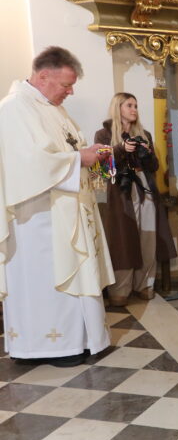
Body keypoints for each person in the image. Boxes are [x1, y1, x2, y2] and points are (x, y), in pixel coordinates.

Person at [0, 46, 113, 367]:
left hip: (66, 211)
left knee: (72, 274)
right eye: (66, 85)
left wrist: (91, 154)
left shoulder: (54, 109)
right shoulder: (13, 109)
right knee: (47, 281)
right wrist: (80, 158)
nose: (70, 91)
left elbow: (69, 148)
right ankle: (51, 347)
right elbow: (28, 164)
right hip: (37, 221)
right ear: (43, 76)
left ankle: (82, 340)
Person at [94, 93, 176, 306]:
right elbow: (104, 169)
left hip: (144, 186)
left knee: (148, 236)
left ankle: (145, 284)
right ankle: (120, 288)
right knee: (124, 239)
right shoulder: (103, 134)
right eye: (129, 105)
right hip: (121, 190)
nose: (134, 110)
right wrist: (120, 149)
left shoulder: (144, 134)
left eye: (136, 106)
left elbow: (154, 166)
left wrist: (147, 154)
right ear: (118, 108)